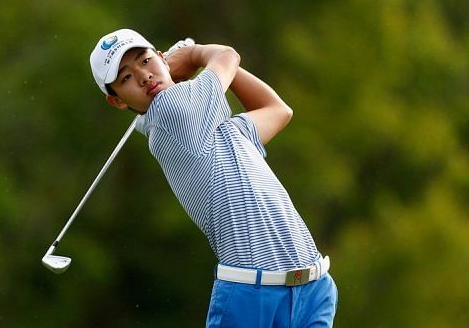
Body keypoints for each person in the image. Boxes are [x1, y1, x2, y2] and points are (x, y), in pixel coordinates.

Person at [90, 29, 337, 327]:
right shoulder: (170, 111)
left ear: (161, 57)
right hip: (251, 295)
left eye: (145, 60)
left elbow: (277, 110)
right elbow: (227, 56)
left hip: (313, 286)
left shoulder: (228, 132)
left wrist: (191, 66)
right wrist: (194, 55)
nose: (143, 76)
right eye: (126, 78)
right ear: (117, 101)